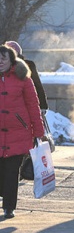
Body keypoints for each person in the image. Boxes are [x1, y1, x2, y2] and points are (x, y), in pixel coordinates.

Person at [0, 45, 44, 219]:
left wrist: (38, 132)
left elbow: (34, 106)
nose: (0, 62)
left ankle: (9, 207)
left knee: (11, 172)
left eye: (3, 58)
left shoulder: (23, 79)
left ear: (12, 60)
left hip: (18, 133)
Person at [4, 41, 49, 112]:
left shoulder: (4, 66)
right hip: (26, 106)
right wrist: (43, 106)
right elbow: (38, 86)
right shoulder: (29, 65)